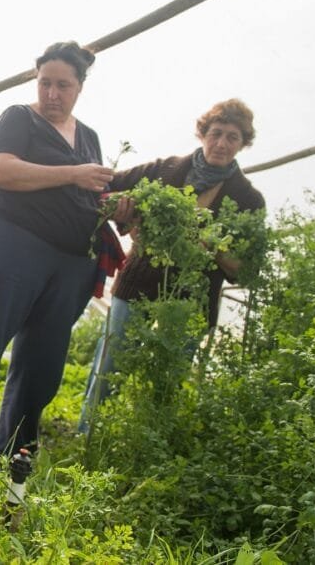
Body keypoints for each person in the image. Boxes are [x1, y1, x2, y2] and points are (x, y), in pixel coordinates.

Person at [0, 41, 121, 468]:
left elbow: (90, 192)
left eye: (63, 86)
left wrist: (112, 203)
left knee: (40, 370)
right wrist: (73, 174)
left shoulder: (88, 137)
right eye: (45, 83)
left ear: (79, 88)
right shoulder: (19, 118)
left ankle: (9, 469)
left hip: (70, 262)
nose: (52, 94)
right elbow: (1, 172)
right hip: (14, 244)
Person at [78, 98, 265, 432]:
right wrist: (126, 212)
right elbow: (105, 190)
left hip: (192, 300)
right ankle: (88, 438)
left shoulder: (249, 199)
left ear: (243, 143)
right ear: (203, 133)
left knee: (166, 381)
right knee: (111, 365)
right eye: (216, 133)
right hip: (138, 285)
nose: (221, 143)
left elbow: (247, 270)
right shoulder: (164, 169)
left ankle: (145, 450)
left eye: (232, 137)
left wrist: (212, 245)